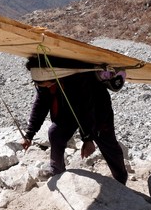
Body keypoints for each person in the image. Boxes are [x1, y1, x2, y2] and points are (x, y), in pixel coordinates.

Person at [21, 54, 128, 185]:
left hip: (97, 109)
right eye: (41, 86)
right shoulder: (44, 84)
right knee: (55, 133)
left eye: (45, 85)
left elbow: (85, 109)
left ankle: (120, 179)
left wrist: (87, 139)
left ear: (53, 77)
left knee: (107, 143)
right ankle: (57, 170)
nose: (44, 87)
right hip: (67, 110)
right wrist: (29, 135)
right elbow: (40, 106)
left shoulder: (79, 79)